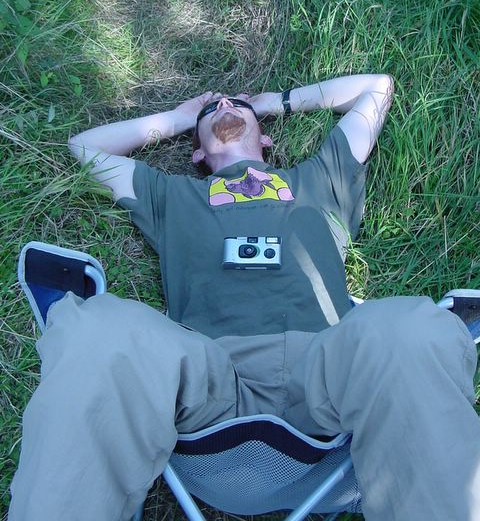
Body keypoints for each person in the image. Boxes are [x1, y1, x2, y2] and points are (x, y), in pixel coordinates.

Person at [8, 75, 480, 521]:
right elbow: (84, 147)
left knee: (411, 329)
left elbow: (376, 88)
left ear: (267, 138)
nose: (224, 105)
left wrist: (275, 102)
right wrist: (178, 118)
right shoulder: (171, 196)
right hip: (208, 382)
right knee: (97, 330)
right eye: (211, 110)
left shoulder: (318, 179)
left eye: (235, 105)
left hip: (326, 378)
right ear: (196, 152)